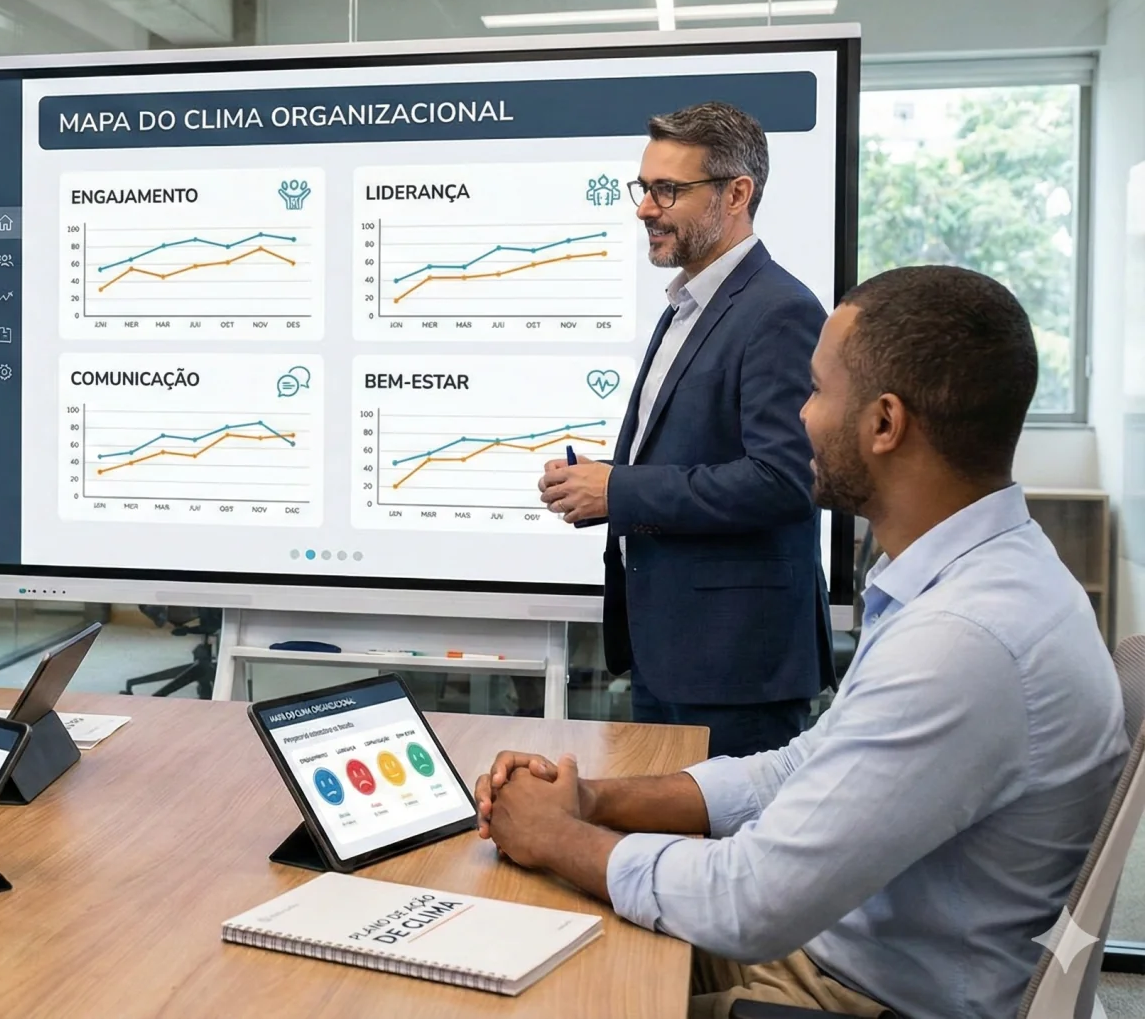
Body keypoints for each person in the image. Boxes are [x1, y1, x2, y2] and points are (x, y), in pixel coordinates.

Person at [482, 266, 1126, 1019]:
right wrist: (592, 799)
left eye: (815, 391)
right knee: (525, 934)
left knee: (527, 992)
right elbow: (796, 770)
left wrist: (556, 836)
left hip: (849, 995)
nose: (799, 416)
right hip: (831, 946)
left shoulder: (964, 642)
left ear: (885, 424)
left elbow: (748, 901)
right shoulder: (967, 577)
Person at [536, 101, 831, 757]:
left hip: (735, 667)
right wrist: (597, 488)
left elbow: (784, 479)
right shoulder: (689, 305)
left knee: (729, 857)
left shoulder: (778, 309)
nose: (645, 208)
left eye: (668, 190)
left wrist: (622, 492)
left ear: (737, 193)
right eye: (644, 189)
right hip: (666, 650)